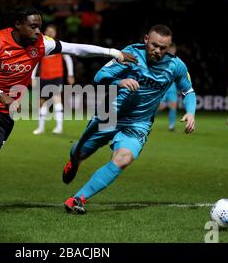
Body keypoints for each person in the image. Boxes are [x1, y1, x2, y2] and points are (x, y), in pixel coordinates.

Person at [0, 6, 137, 219]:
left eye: (39, 27)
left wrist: (113, 52)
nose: (38, 31)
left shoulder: (42, 44)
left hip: (4, 114)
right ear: (18, 25)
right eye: (33, 26)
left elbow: (75, 48)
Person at [62, 25, 196, 214]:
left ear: (169, 47)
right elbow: (99, 77)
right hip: (110, 115)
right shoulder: (128, 55)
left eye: (163, 48)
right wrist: (120, 81)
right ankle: (75, 160)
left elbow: (188, 91)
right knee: (80, 153)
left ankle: (78, 198)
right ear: (146, 39)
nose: (158, 51)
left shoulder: (176, 65)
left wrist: (191, 112)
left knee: (123, 159)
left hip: (138, 124)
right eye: (155, 45)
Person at [32, 24, 75, 135]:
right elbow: (35, 62)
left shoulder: (58, 45)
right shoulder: (42, 46)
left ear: (55, 33)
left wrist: (70, 74)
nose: (50, 33)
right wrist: (32, 77)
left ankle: (59, 127)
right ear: (45, 32)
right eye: (48, 31)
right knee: (42, 102)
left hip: (57, 76)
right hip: (44, 77)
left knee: (57, 99)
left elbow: (68, 58)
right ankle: (40, 127)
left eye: (52, 31)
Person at [158, 43, 178, 131]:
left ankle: (171, 126)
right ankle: (147, 119)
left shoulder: (177, 61)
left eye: (173, 50)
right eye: (171, 50)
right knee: (161, 106)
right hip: (163, 84)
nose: (172, 51)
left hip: (172, 85)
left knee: (173, 105)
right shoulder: (161, 59)